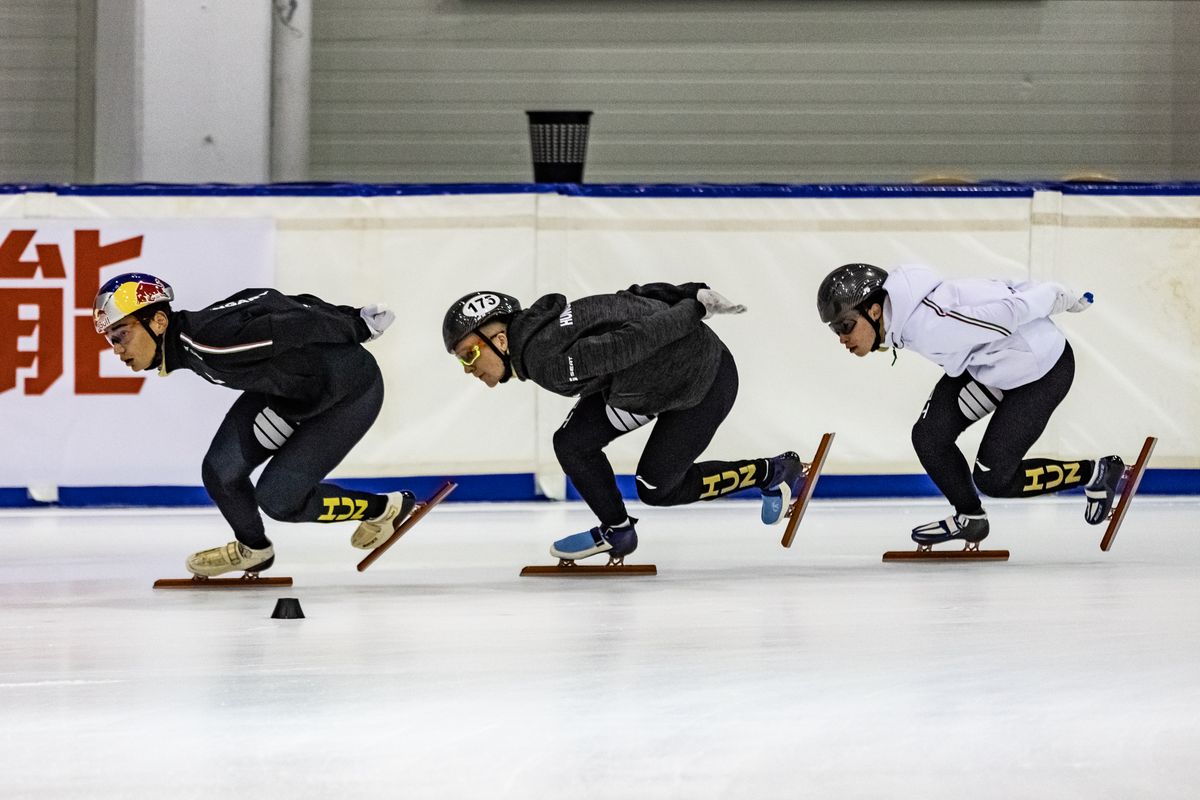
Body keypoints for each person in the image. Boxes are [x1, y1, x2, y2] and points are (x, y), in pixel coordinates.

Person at [440, 283, 809, 563]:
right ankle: (618, 533)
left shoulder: (544, 360)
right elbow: (630, 297)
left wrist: (693, 307)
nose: (469, 367)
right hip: (648, 381)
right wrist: (688, 291)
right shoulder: (544, 330)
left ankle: (774, 471)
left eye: (469, 353)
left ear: (500, 339)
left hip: (704, 378)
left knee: (656, 487)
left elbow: (632, 342)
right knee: (571, 443)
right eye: (461, 361)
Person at [93, 272, 413, 577]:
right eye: (111, 340)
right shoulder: (195, 336)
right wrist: (349, 313)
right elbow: (266, 300)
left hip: (349, 393)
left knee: (278, 499)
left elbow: (295, 324)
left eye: (121, 335)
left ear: (158, 322)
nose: (118, 349)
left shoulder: (209, 344)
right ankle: (254, 549)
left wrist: (356, 324)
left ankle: (385, 508)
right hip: (290, 394)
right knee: (221, 471)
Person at [815, 262, 1124, 546]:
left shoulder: (929, 324)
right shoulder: (907, 313)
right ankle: (970, 518)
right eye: (835, 330)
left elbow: (1010, 311)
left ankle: (1097, 473)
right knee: (929, 437)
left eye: (845, 325)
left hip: (1042, 370)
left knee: (993, 479)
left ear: (874, 311)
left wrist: (1059, 296)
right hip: (991, 367)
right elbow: (1000, 287)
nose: (842, 337)